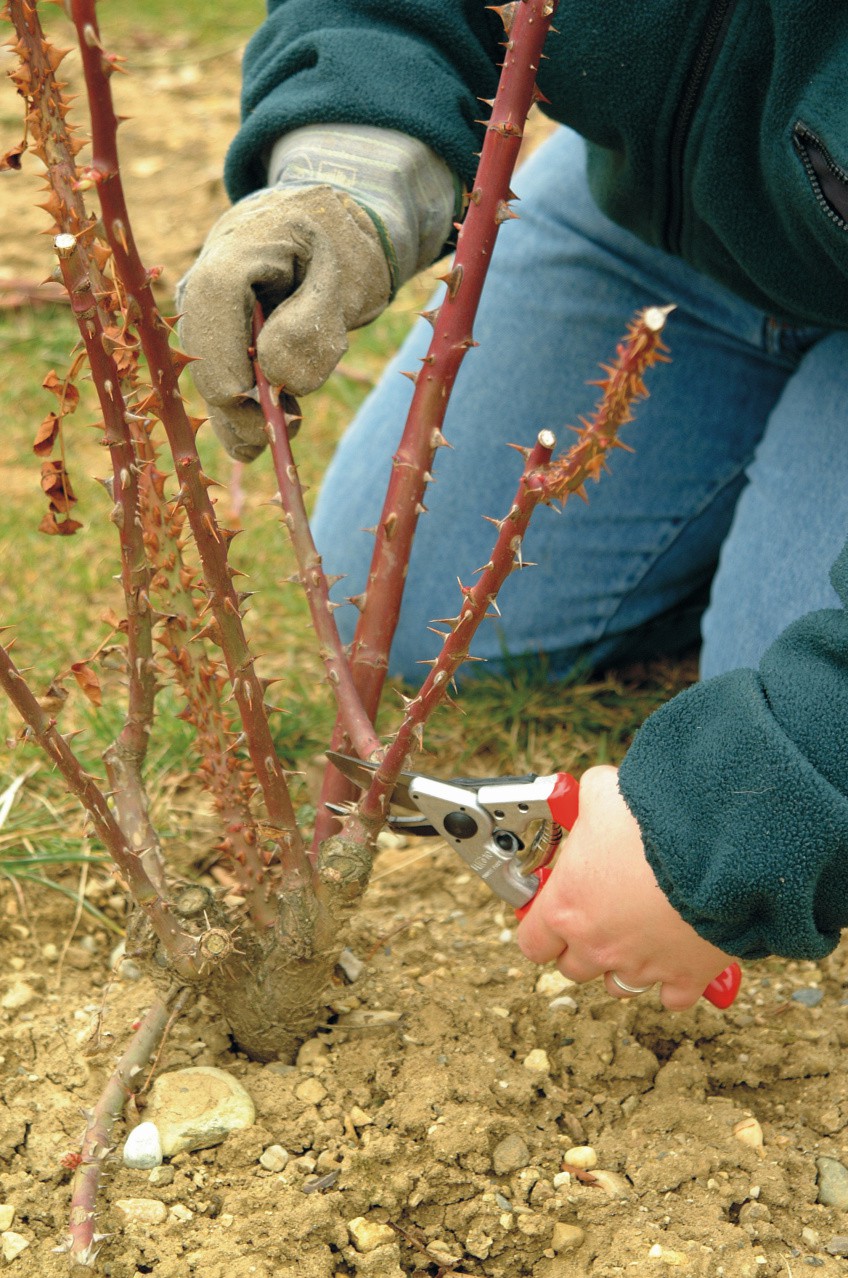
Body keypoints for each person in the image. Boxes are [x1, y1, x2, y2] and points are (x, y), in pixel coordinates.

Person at [178, 2, 848, 1010]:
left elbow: (784, 785)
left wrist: (736, 809)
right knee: (406, 603)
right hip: (657, 228)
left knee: (780, 735)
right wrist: (346, 172)